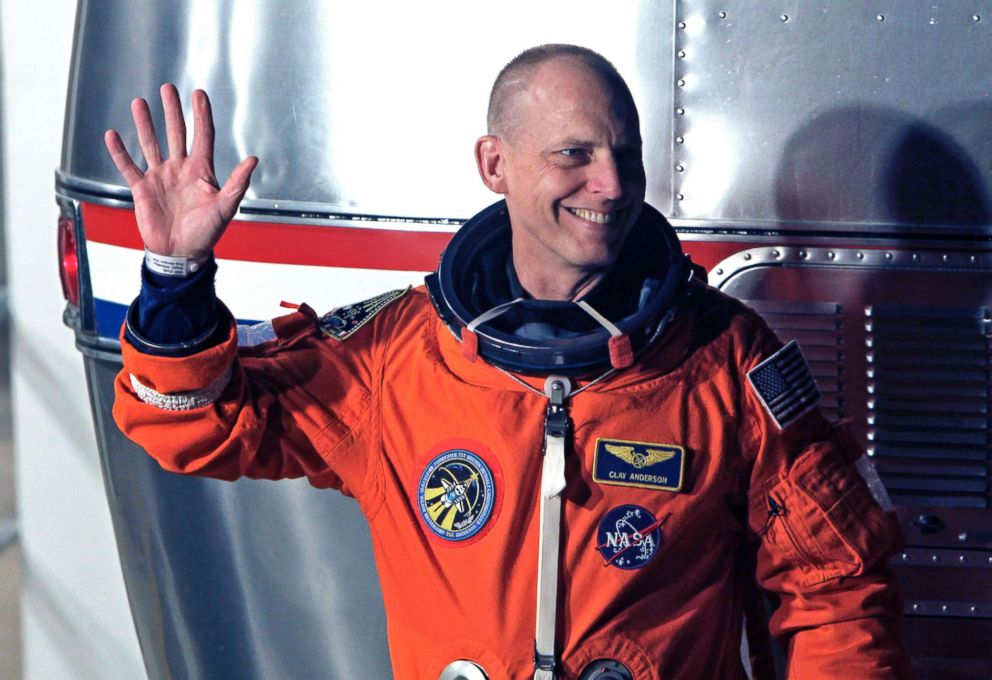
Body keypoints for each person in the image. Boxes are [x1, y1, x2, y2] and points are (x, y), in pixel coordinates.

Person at [106, 45, 911, 679]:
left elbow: (834, 588)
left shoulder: (724, 363)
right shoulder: (402, 357)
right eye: (574, 153)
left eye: (624, 155)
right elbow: (198, 425)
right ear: (495, 164)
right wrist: (176, 278)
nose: (614, 183)